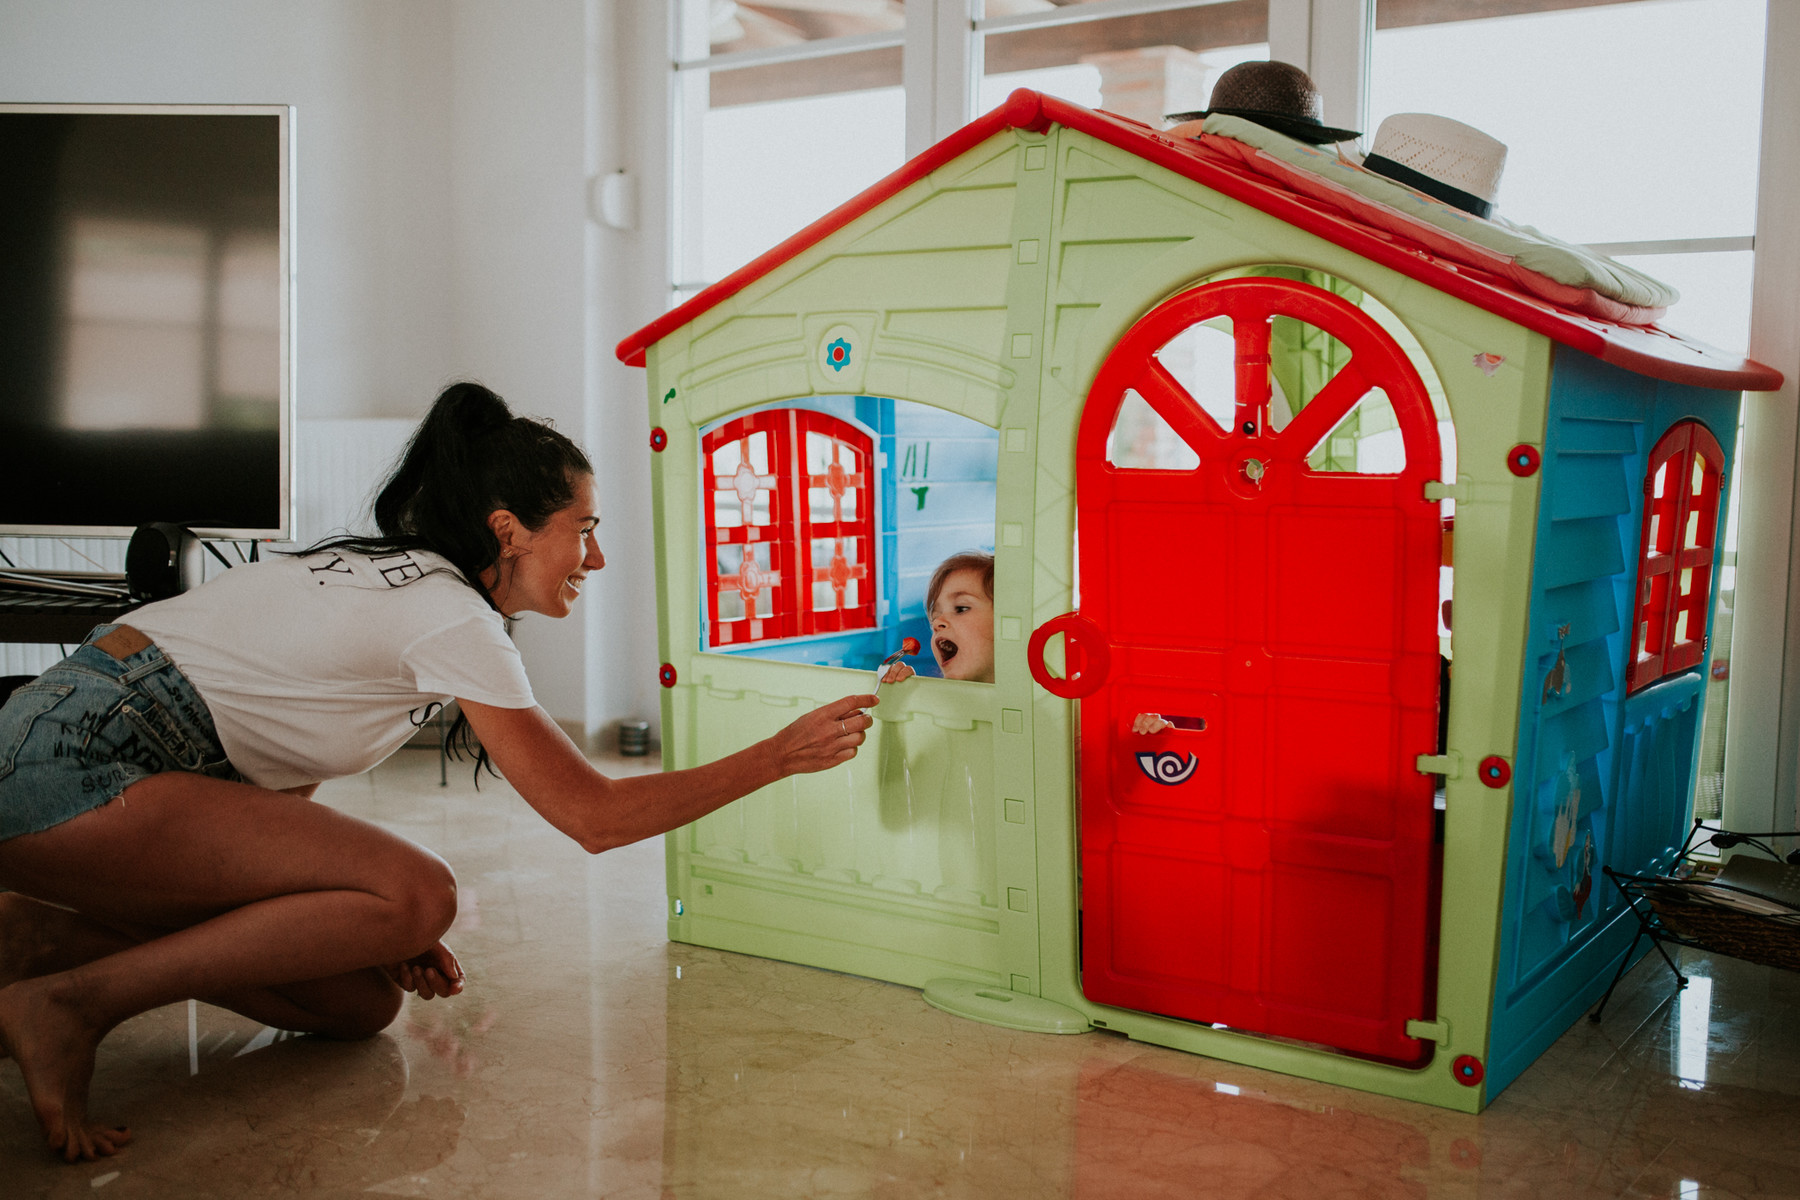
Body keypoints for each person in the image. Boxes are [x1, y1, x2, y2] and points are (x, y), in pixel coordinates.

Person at [0, 381, 878, 1162]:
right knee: (422, 894)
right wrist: (778, 757)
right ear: (509, 530)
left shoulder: (405, 581)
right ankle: (74, 1003)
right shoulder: (448, 613)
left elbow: (275, 767)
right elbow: (594, 817)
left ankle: (48, 939)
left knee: (358, 1004)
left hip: (81, 765)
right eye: (586, 530)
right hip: (73, 761)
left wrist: (363, 912)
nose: (597, 559)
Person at [881, 551, 995, 685]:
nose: (937, 623)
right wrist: (908, 694)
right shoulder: (945, 698)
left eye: (961, 609)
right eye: (934, 617)